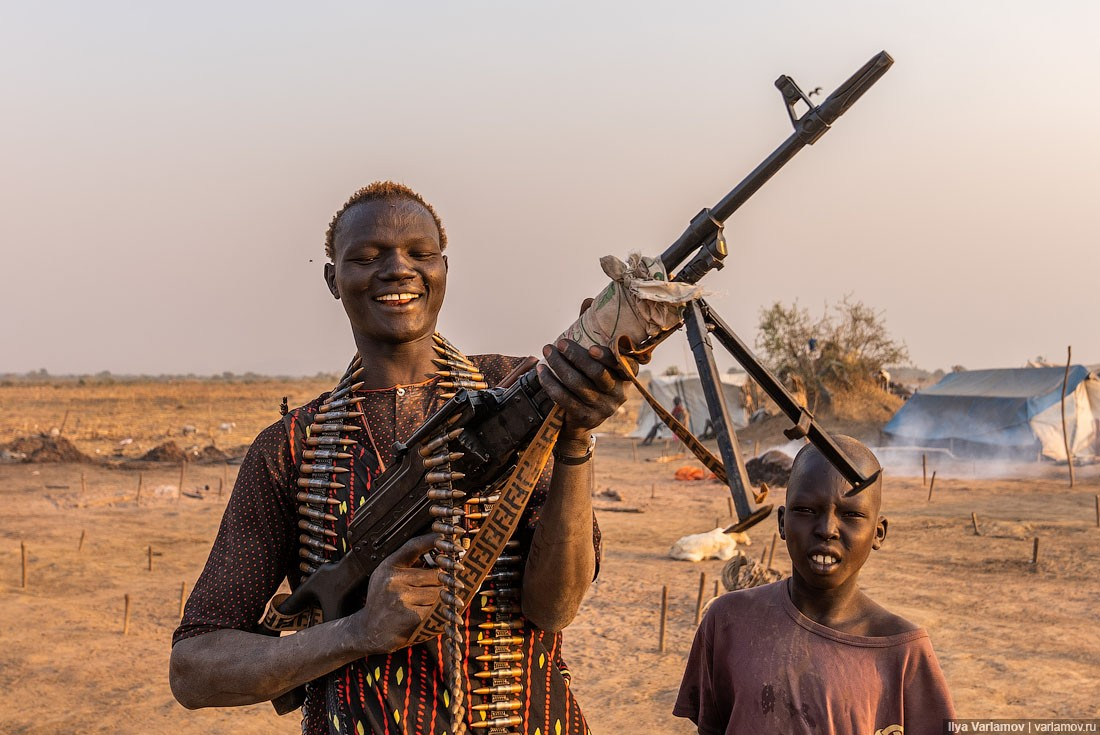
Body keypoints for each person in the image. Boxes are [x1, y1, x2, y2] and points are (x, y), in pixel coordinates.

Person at [169, 181, 628, 735]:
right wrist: (358, 631)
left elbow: (554, 609)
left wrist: (574, 441)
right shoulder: (292, 447)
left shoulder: (518, 389)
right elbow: (193, 670)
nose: (397, 269)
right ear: (332, 279)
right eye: (365, 257)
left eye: (419, 252)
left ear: (443, 268)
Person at [674, 436, 955, 734]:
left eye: (852, 514)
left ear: (878, 533)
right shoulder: (728, 619)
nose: (827, 530)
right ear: (782, 522)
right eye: (807, 511)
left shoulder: (903, 652)